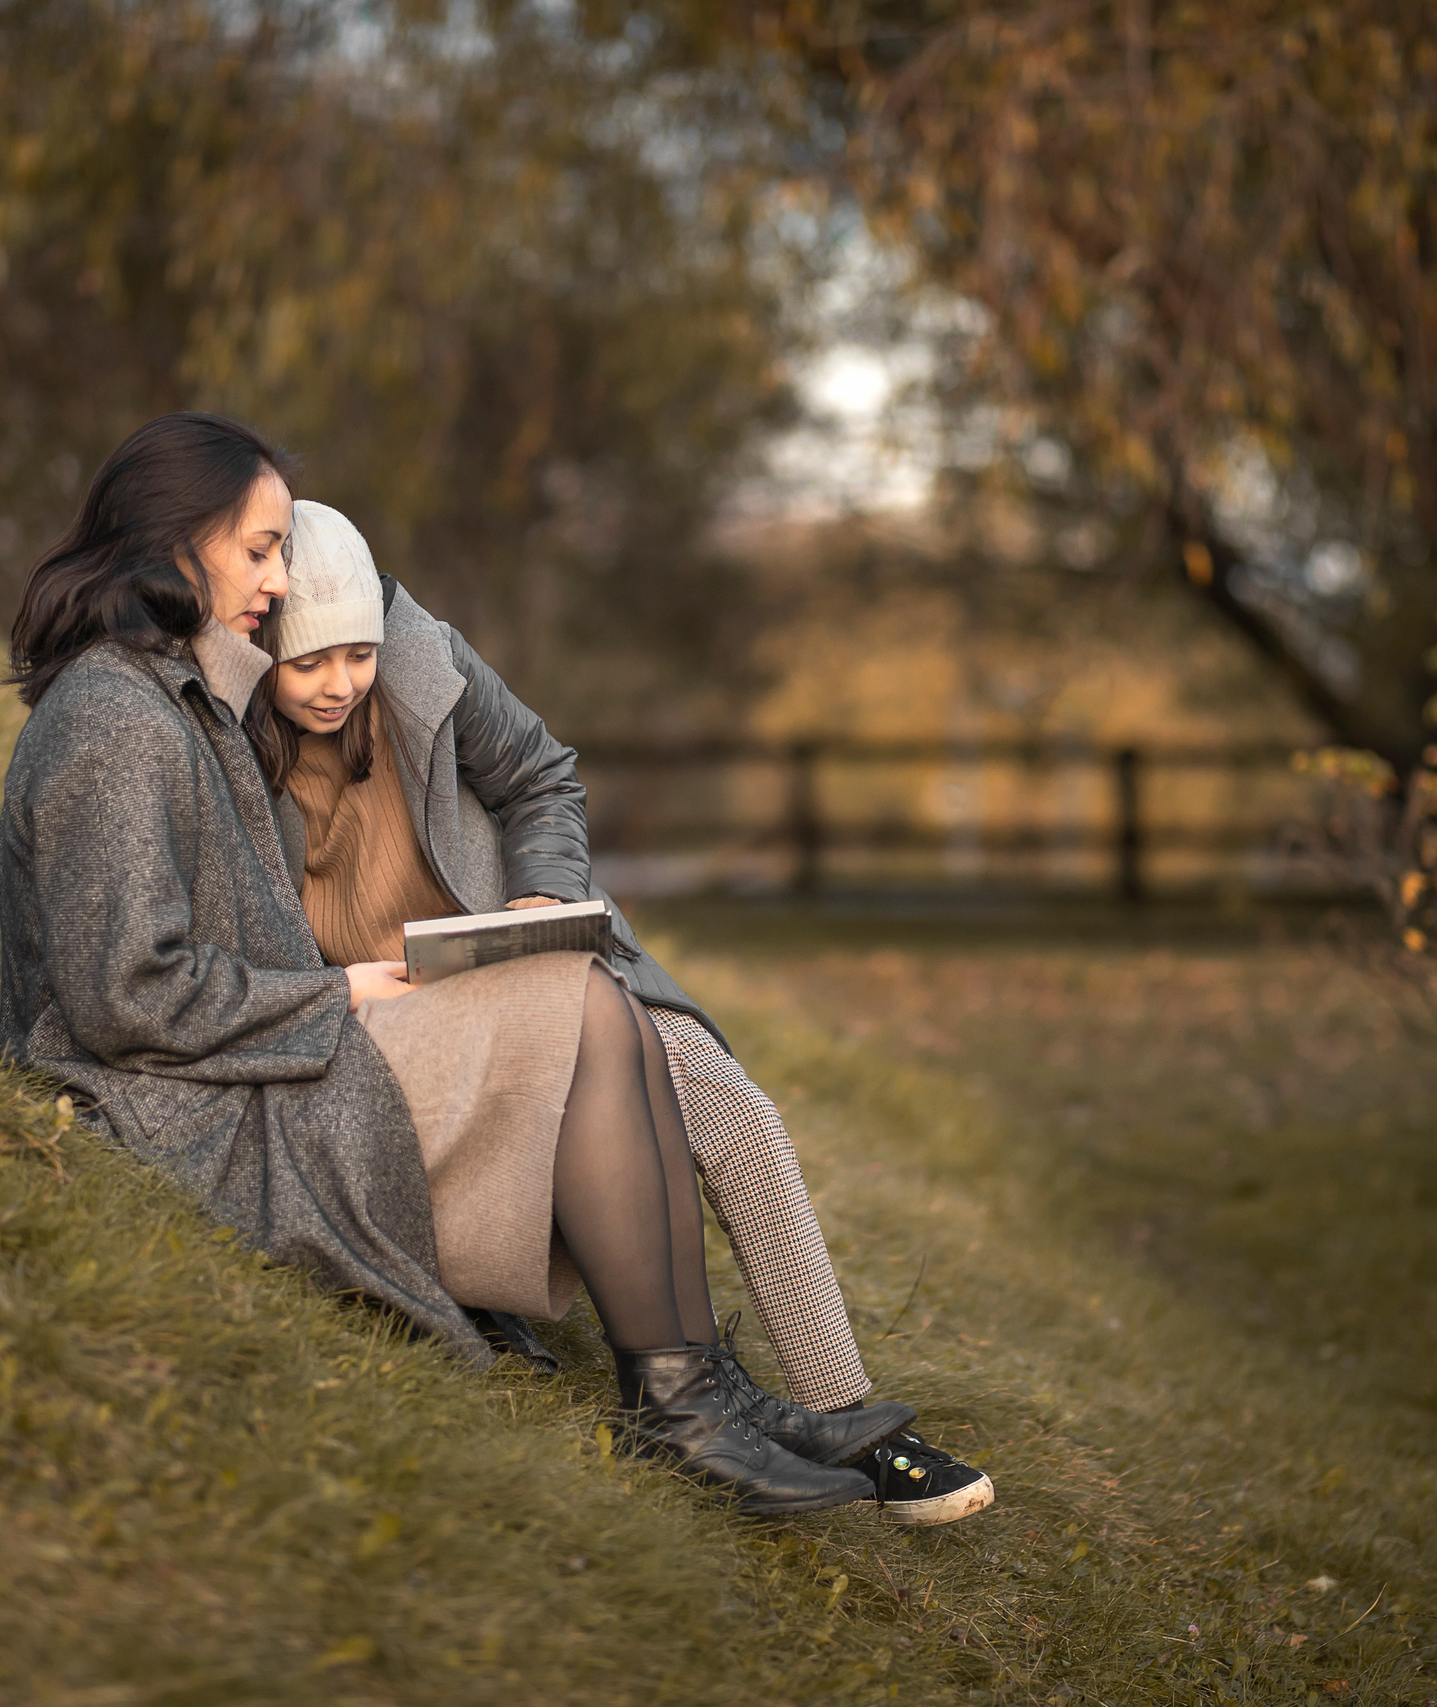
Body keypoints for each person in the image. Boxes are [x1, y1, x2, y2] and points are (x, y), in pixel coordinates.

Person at [0, 413, 873, 1515]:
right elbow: (124, 994)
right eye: (260, 550)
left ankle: (699, 1393)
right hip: (185, 1105)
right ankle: (683, 1406)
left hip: (248, 1055)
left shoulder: (171, 690)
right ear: (178, 540)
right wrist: (335, 993)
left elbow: (536, 775)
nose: (275, 579)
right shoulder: (115, 717)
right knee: (585, 1011)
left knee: (594, 998)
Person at [245, 497, 994, 1528]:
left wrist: (544, 896)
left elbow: (546, 776)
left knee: (732, 1116)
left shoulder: (425, 665)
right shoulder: (226, 735)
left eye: (357, 655)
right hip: (394, 1006)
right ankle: (675, 1383)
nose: (339, 684)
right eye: (310, 663)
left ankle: (850, 1418)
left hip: (522, 947)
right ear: (262, 649)